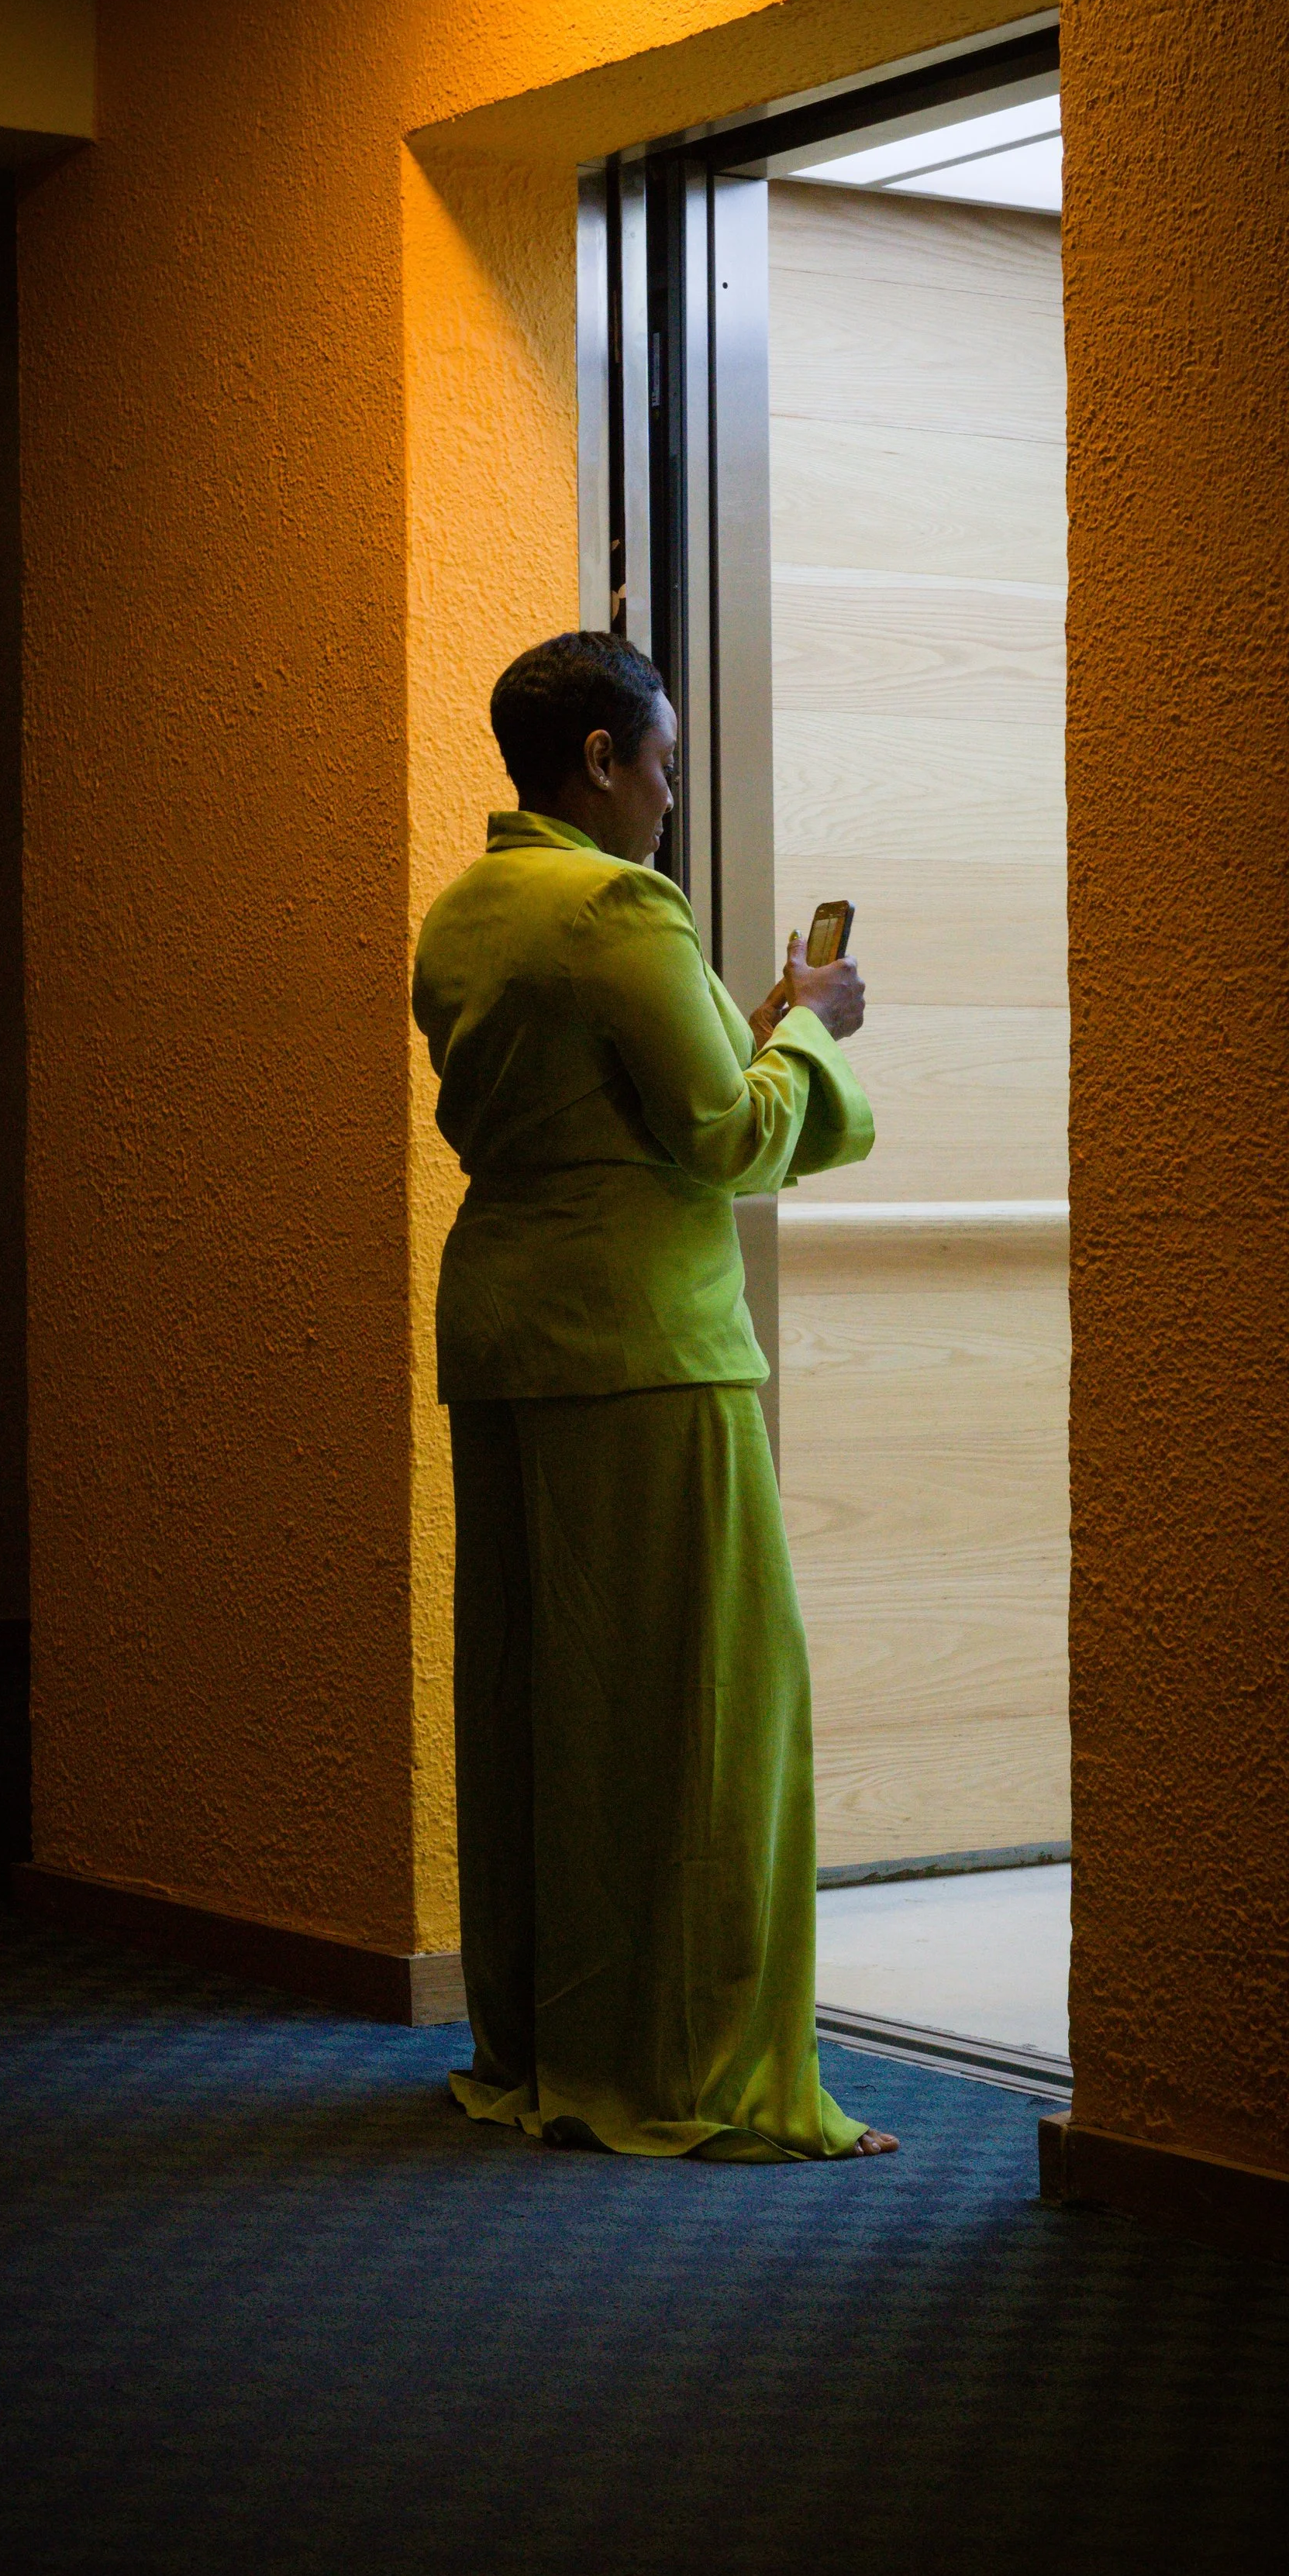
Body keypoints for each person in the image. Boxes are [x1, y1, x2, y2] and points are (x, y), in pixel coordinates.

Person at [412, 630, 898, 2161]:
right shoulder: (618, 906)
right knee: (700, 1715)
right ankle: (688, 2067)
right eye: (664, 763)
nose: (673, 796)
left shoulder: (467, 909)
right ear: (601, 758)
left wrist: (753, 1026)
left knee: (547, 1712)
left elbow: (607, 1101)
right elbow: (723, 1142)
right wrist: (810, 1029)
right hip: (644, 1347)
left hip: (508, 1331)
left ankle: (545, 2043)